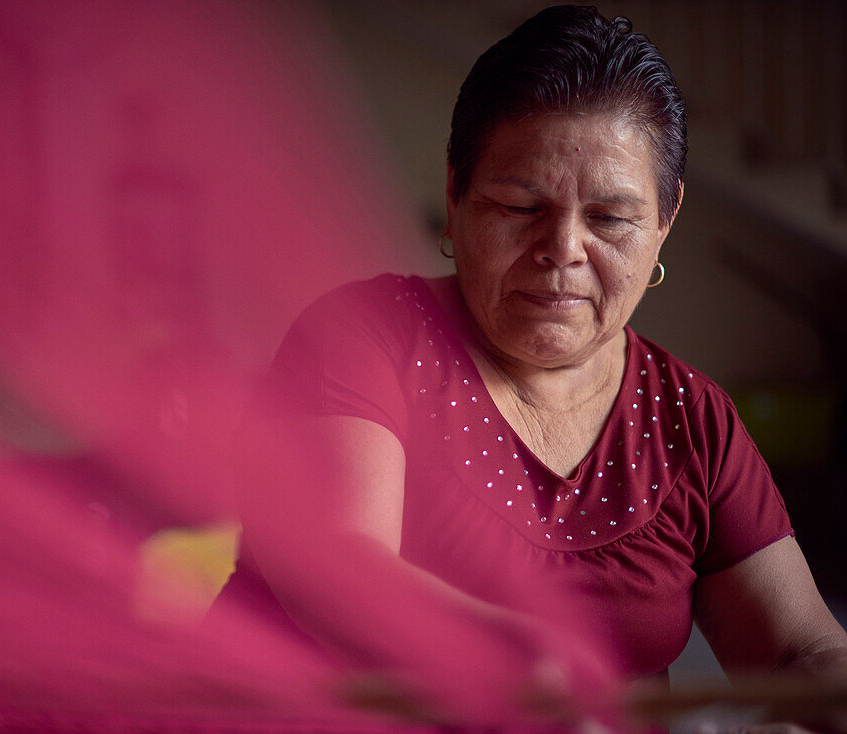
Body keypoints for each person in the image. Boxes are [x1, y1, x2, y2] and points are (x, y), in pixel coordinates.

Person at [214, 4, 847, 729]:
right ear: (455, 195)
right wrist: (522, 661)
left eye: (610, 219)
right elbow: (336, 568)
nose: (563, 248)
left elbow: (803, 649)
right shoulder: (365, 339)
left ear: (665, 219)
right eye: (520, 206)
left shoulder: (691, 420)